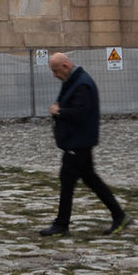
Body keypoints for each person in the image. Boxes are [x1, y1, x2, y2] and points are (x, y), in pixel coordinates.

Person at [40, 50, 127, 236]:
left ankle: (61, 225)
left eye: (56, 71)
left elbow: (80, 113)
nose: (55, 75)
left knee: (67, 181)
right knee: (90, 179)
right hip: (77, 141)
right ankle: (119, 215)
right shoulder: (73, 81)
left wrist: (59, 112)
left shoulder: (81, 84)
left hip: (78, 142)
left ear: (65, 66)